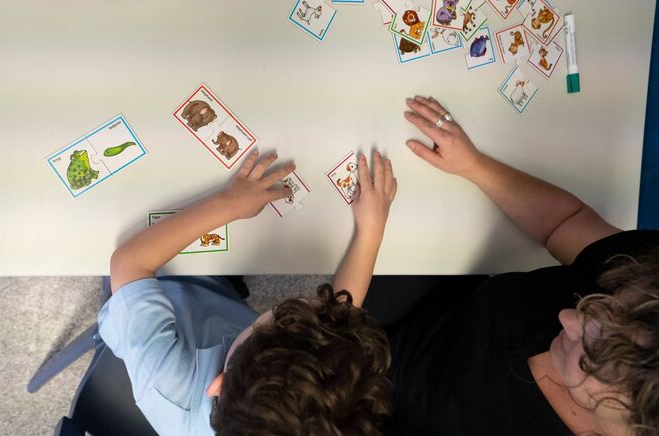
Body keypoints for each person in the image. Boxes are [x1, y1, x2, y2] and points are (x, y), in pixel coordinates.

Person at [376, 95, 659, 435]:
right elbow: (564, 224)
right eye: (600, 305)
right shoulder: (645, 285)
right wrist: (473, 165)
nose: (568, 316)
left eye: (592, 356)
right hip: (441, 307)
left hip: (369, 401)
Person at [97, 149, 398, 435]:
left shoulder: (169, 385)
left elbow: (129, 263)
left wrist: (228, 204)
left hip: (159, 284)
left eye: (275, 318)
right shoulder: (278, 404)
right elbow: (338, 323)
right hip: (214, 303)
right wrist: (371, 233)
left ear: (218, 386)